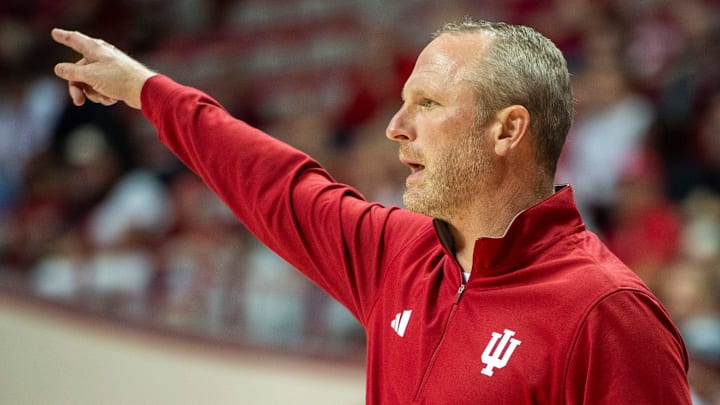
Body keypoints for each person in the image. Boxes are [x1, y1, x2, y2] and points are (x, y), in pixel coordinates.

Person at [51, 18, 691, 404]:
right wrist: (145, 88)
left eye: (429, 104)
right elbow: (275, 183)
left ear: (507, 130)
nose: (394, 127)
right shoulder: (397, 255)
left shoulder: (606, 312)